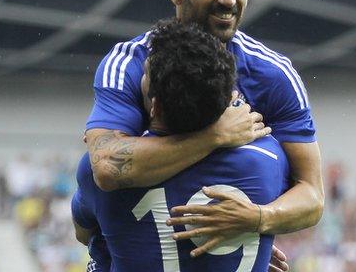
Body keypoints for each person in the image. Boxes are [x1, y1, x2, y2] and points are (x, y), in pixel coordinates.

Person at [84, 0, 324, 257]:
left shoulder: (274, 75)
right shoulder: (129, 64)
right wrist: (215, 135)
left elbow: (312, 196)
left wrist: (257, 221)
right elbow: (107, 167)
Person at [73, 20, 290, 271]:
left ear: (155, 106)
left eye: (144, 74)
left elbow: (83, 233)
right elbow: (308, 200)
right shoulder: (268, 158)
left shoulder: (99, 170)